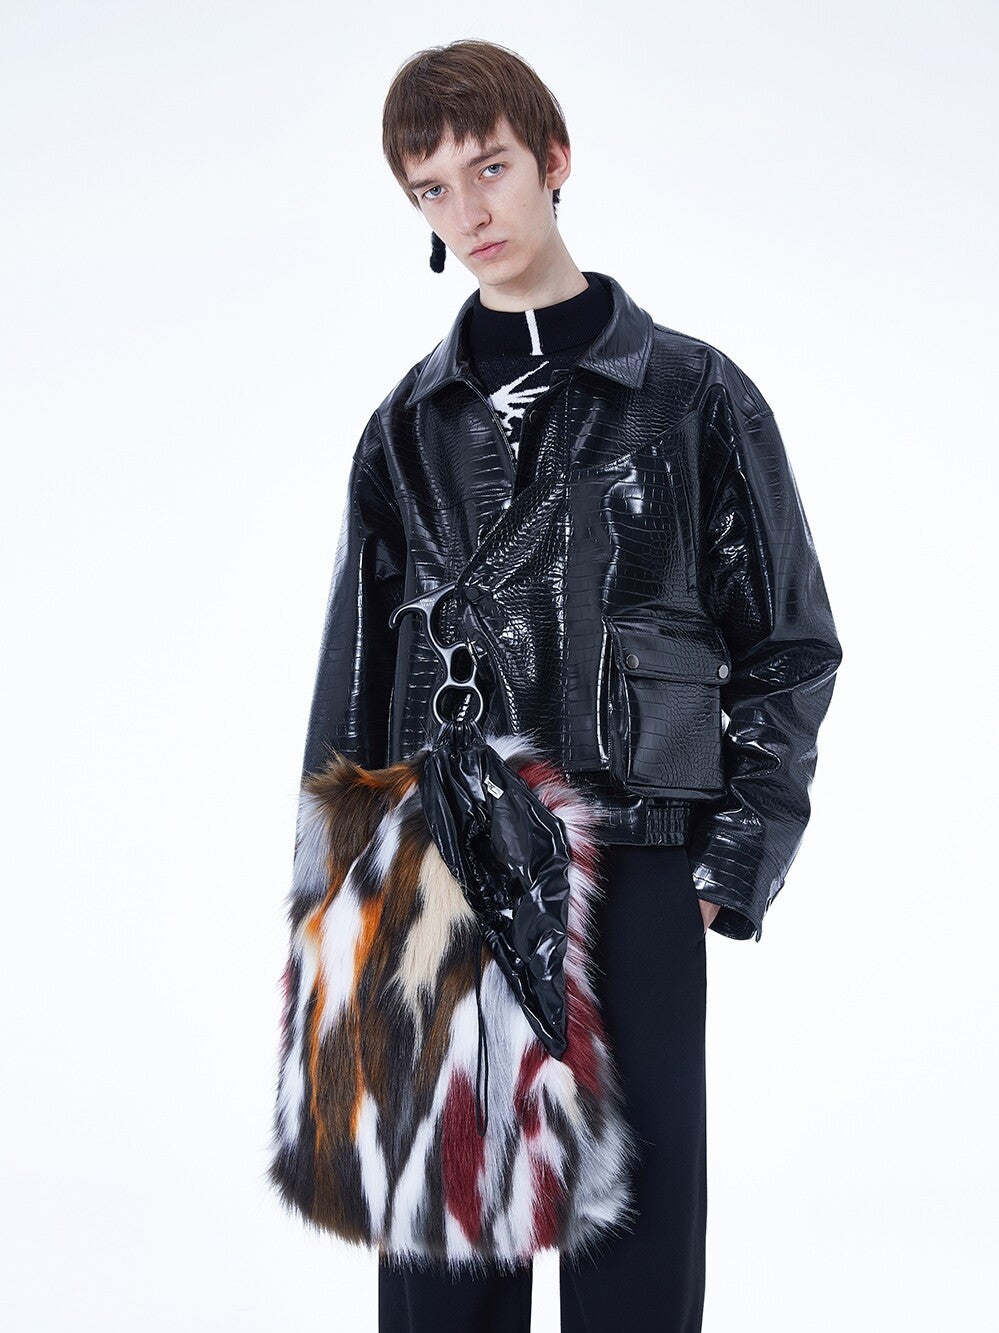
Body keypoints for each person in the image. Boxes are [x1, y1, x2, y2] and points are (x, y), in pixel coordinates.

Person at [294, 38, 842, 1333]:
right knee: (445, 1271)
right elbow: (352, 688)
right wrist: (344, 916)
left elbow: (789, 646)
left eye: (488, 168)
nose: (468, 211)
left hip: (636, 871)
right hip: (439, 882)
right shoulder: (405, 431)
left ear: (554, 159)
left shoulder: (696, 399)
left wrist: (729, 867)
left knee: (633, 1269)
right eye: (432, 190)